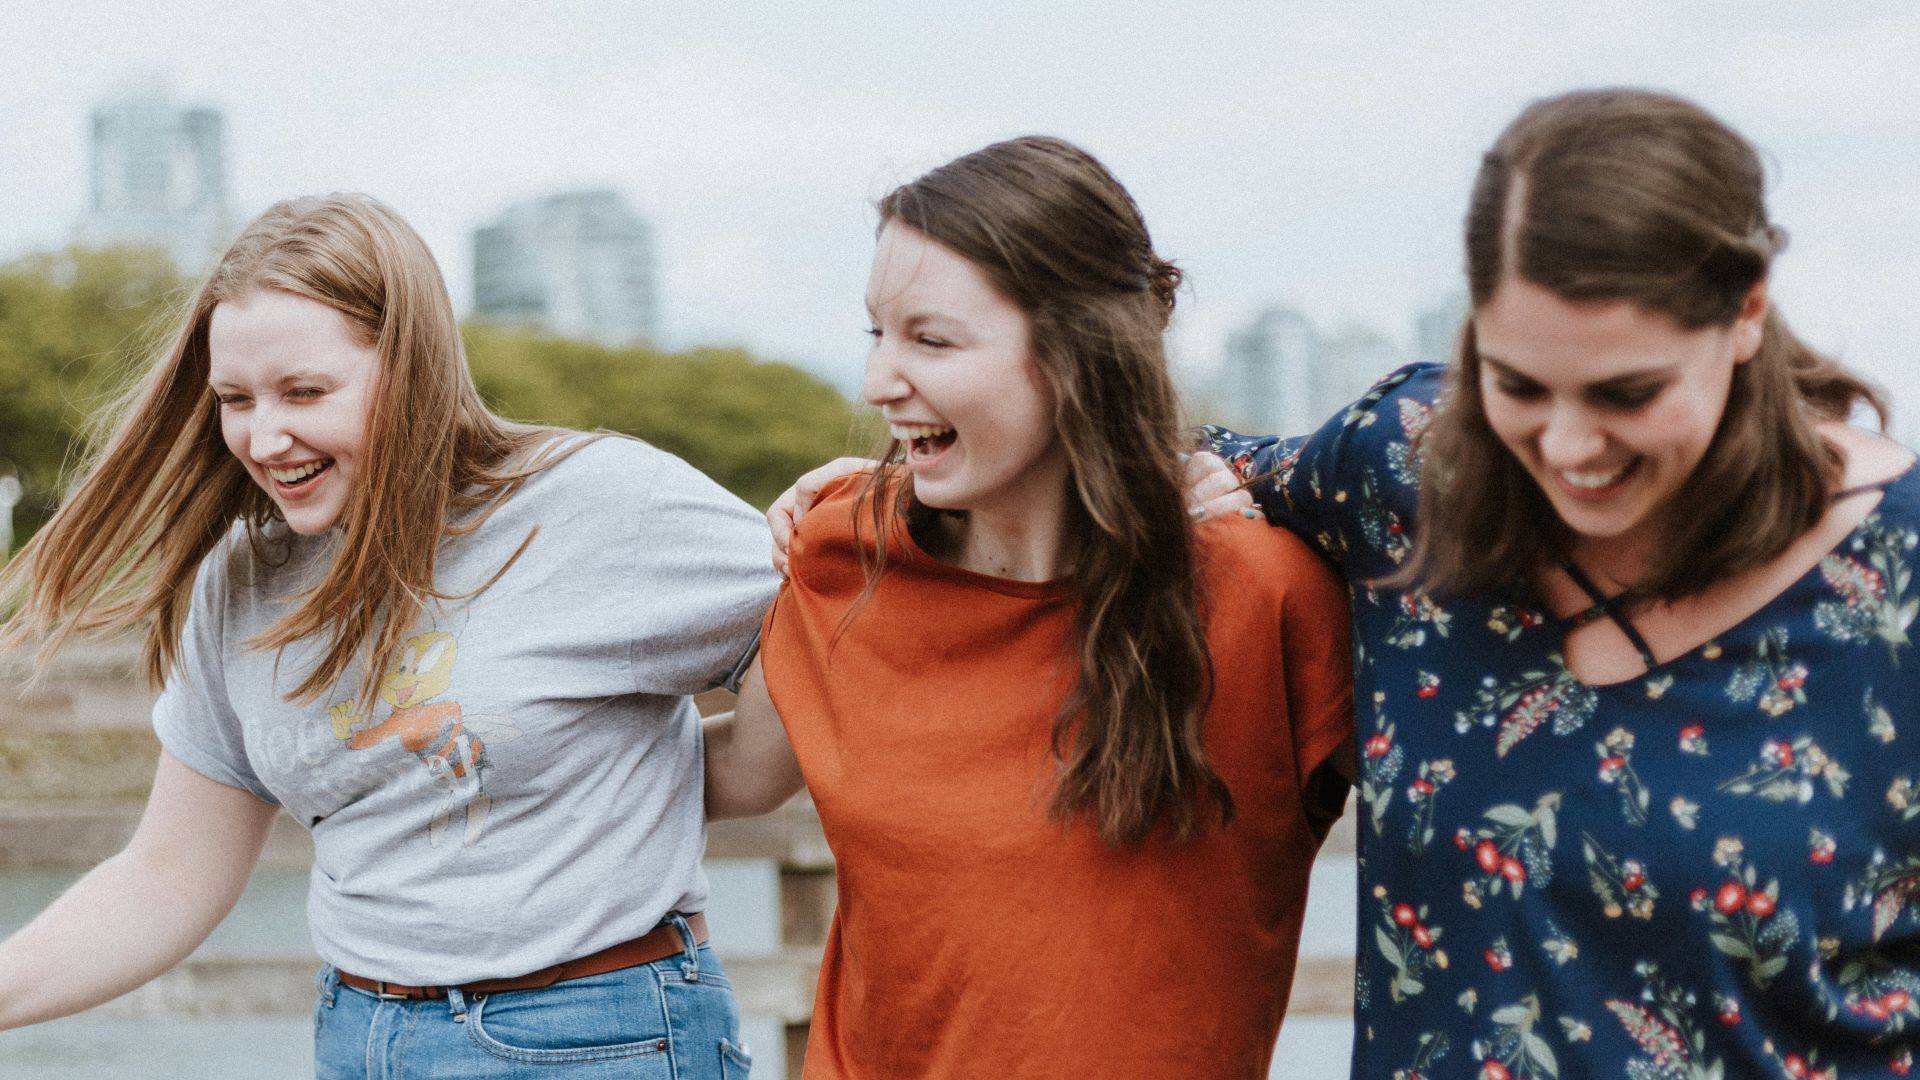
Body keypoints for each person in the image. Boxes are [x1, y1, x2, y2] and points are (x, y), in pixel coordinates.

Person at [1202, 89, 1914, 1079]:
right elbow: (1153, 468)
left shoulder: (1900, 581)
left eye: (1629, 393)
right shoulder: (1409, 465)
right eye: (1519, 387)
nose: (1571, 448)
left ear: (1747, 311)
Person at [0, 194, 773, 1079]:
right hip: (360, 1034)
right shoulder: (242, 578)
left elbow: (827, 629)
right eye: (234, 399)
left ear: (411, 370)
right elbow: (169, 878)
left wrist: (680, 777)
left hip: (597, 1037)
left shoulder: (600, 506)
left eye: (305, 392)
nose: (262, 435)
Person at [704, 136, 1354, 1079]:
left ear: (1079, 356)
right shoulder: (843, 553)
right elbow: (734, 774)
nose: (880, 382)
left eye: (930, 340)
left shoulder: (1268, 593)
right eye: (876, 334)